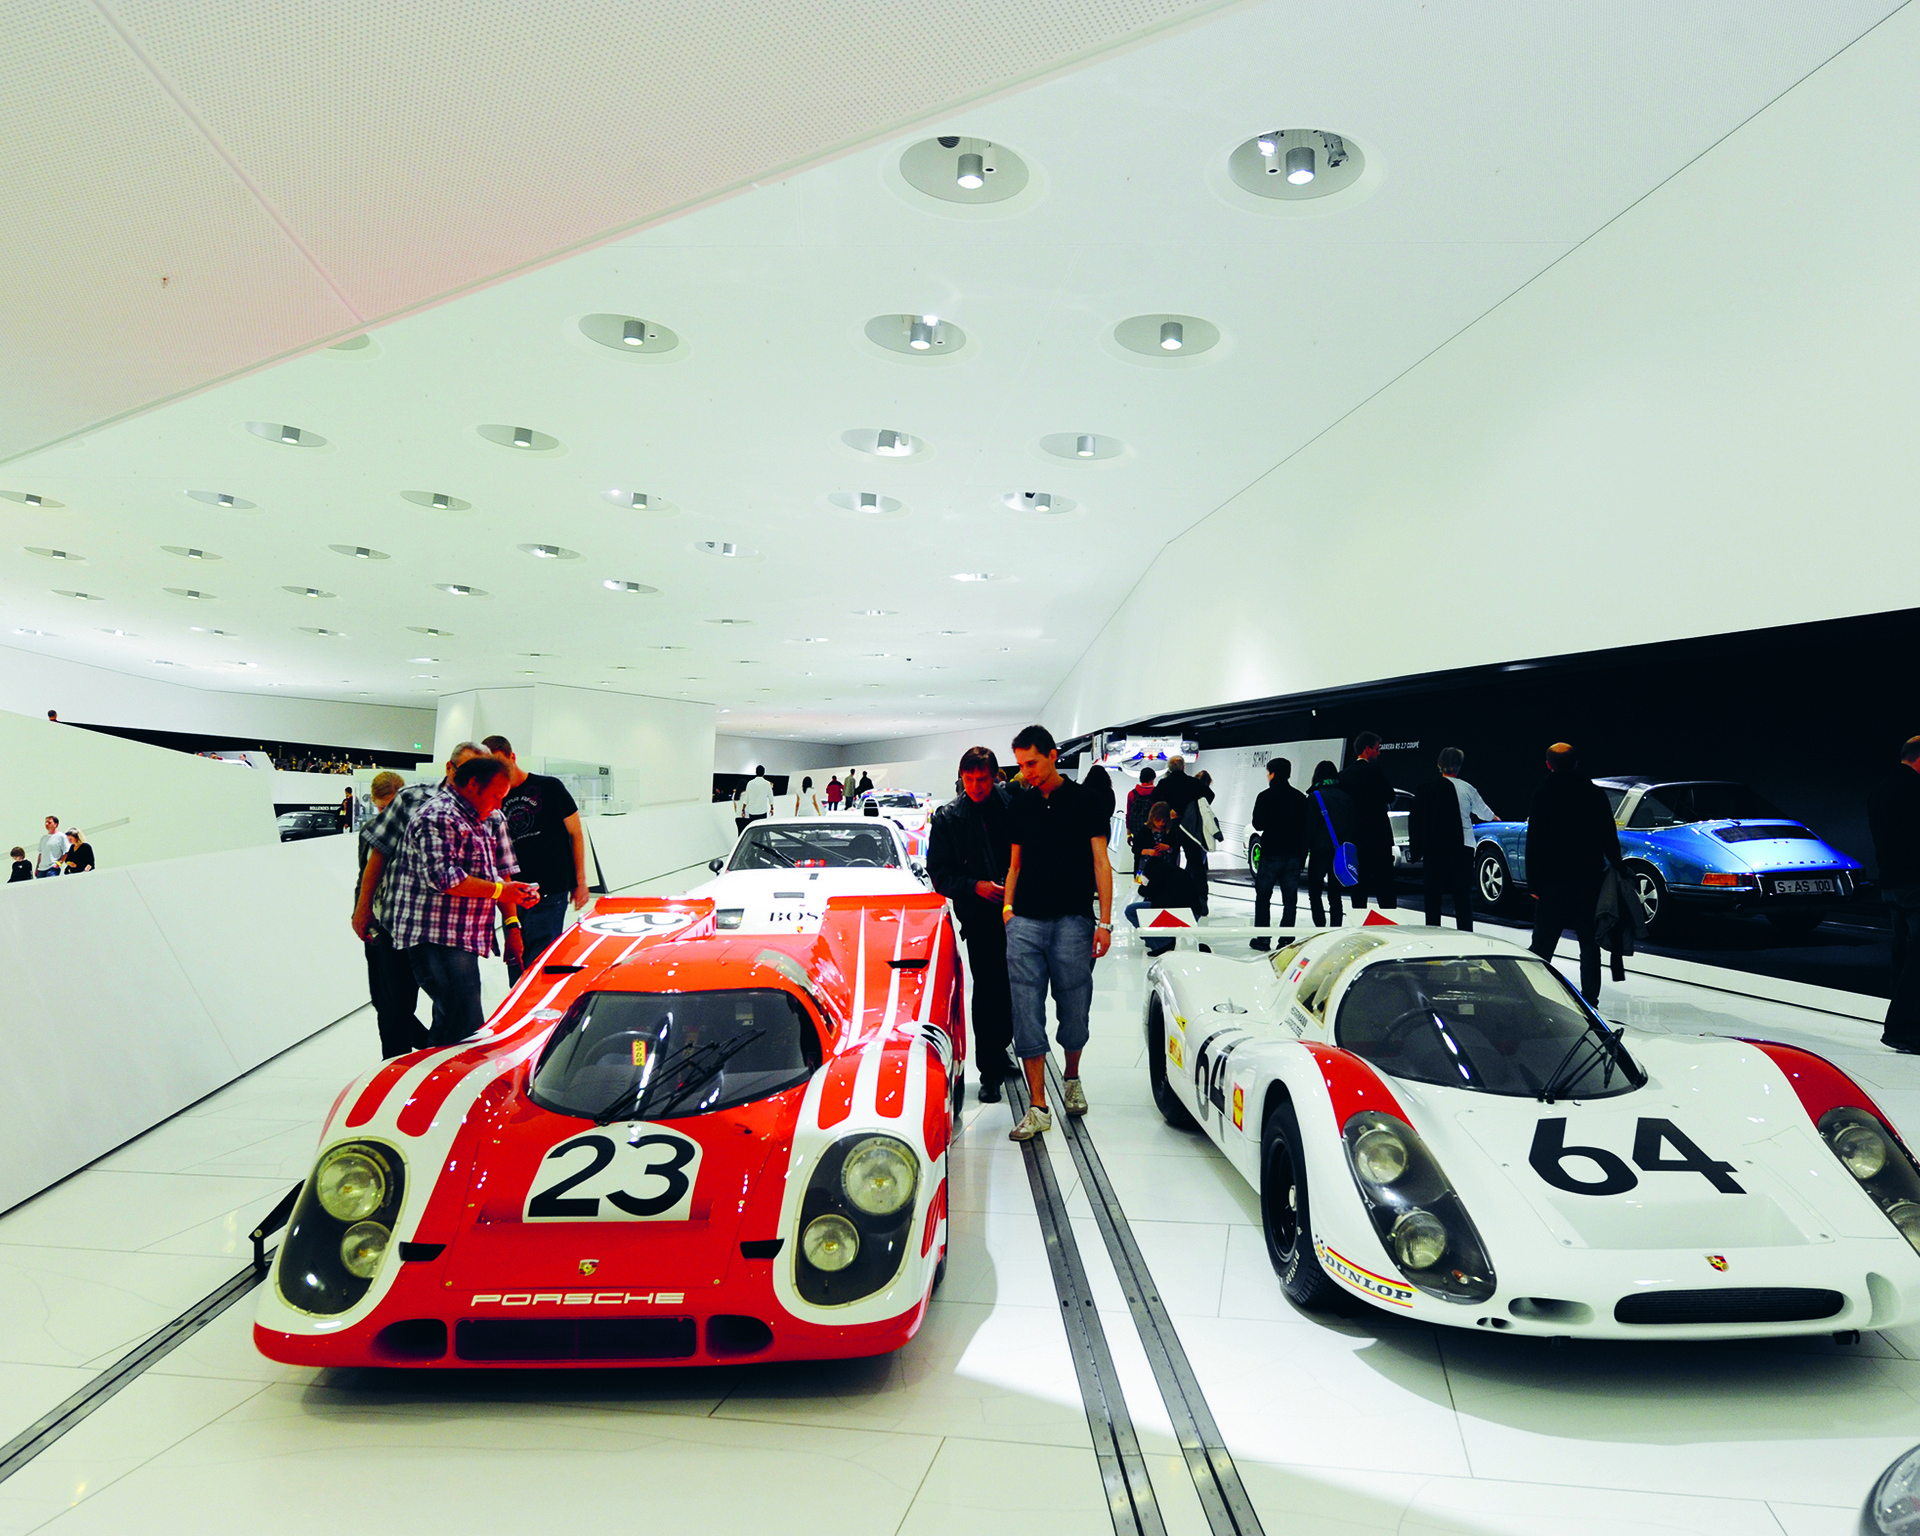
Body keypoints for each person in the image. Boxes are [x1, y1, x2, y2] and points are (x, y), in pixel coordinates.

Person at [1002, 725, 1114, 1141]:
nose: (1025, 772)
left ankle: (1071, 1077)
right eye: (1020, 765)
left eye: (1031, 762)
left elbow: (1101, 863)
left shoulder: (1087, 801)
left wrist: (1103, 922)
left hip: (1073, 920)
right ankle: (1037, 1104)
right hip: (1025, 922)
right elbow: (1014, 864)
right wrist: (1009, 911)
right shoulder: (1020, 806)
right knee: (1025, 1011)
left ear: (1052, 755)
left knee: (1074, 1007)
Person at [385, 755, 540, 1047]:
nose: (498, 804)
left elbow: (499, 874)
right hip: (435, 938)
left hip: (464, 937)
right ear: (472, 785)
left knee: (451, 1024)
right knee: (466, 1024)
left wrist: (512, 916)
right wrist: (501, 892)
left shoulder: (488, 817)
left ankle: (437, 1084)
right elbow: (445, 878)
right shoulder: (438, 816)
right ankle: (453, 1083)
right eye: (496, 796)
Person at [927, 746, 1017, 1101]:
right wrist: (975, 887)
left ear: (995, 776)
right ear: (961, 778)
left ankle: (1001, 1047)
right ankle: (990, 1070)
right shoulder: (949, 817)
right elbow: (940, 874)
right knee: (989, 988)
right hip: (980, 916)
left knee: (1015, 987)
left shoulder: (1013, 807)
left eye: (982, 779)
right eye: (969, 779)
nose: (976, 786)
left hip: (1019, 911)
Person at [484, 736, 590, 983]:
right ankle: (519, 1011)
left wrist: (580, 880)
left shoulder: (549, 787)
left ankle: (540, 1010)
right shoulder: (493, 798)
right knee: (517, 957)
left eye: (500, 764)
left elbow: (575, 834)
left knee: (542, 960)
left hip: (550, 889)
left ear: (512, 757)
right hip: (512, 892)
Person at [1524, 742, 1621, 1004]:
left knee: (1543, 945)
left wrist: (1534, 883)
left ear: (1548, 765)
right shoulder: (1594, 794)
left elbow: (1536, 842)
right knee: (1589, 945)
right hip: (1589, 880)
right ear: (1577, 763)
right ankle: (1590, 1000)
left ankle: (1537, 998)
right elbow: (1608, 836)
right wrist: (1619, 866)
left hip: (1552, 883)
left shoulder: (1543, 795)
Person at [356, 772, 428, 1057]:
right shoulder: (371, 831)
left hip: (412, 928)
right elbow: (364, 877)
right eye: (380, 809)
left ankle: (417, 1050)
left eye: (389, 808)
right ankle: (396, 1061)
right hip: (377, 925)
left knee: (398, 1002)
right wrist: (360, 914)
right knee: (382, 1000)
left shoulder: (422, 829)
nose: (384, 815)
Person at [1409, 747, 1497, 930]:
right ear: (1459, 766)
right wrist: (1495, 818)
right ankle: (1465, 936)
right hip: (1462, 848)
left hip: (1433, 848)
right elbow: (1484, 812)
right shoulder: (1467, 788)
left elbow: (1416, 819)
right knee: (1462, 898)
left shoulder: (1425, 788)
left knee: (1432, 898)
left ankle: (1433, 936)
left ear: (1439, 765)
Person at [1870, 736, 1920, 1051]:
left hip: (1891, 884)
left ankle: (1901, 1028)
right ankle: (1903, 1029)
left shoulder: (1880, 790)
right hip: (1915, 885)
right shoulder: (1914, 790)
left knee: (1902, 954)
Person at [1249, 758, 1310, 948]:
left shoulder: (1264, 796)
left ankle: (1263, 938)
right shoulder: (1300, 797)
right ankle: (1286, 940)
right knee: (1290, 898)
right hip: (1293, 853)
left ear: (1272, 773)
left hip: (1271, 852)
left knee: (1263, 896)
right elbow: (1305, 828)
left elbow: (1258, 823)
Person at [1340, 733, 1397, 913]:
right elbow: (1390, 795)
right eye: (1377, 749)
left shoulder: (1344, 776)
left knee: (1359, 884)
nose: (1379, 753)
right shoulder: (1375, 771)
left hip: (1355, 837)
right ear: (1367, 749)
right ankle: (1389, 926)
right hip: (1378, 837)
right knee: (1384, 884)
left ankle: (1360, 924)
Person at [1124, 802, 1182, 956]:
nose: (1161, 824)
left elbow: (1175, 848)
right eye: (1158, 820)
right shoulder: (1145, 830)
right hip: (1143, 871)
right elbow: (1136, 849)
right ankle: (1147, 932)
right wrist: (1148, 851)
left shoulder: (1170, 831)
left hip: (1165, 873)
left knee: (1160, 901)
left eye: (1164, 820)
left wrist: (1167, 848)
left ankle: (1160, 933)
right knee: (1142, 898)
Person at [1305, 761, 1356, 927]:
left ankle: (1320, 927)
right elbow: (1351, 825)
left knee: (1315, 892)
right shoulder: (1345, 797)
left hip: (1319, 850)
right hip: (1339, 851)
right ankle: (1336, 929)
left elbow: (1310, 827)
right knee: (1335, 894)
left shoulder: (1315, 797)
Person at [1156, 755, 1208, 915]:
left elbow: (1154, 799)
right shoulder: (1193, 783)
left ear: (1169, 769)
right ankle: (1201, 899)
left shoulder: (1164, 783)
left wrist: (1169, 809)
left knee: (1170, 860)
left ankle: (1170, 895)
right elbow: (1210, 796)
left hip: (1171, 827)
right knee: (1196, 864)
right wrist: (1192, 809)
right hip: (1190, 828)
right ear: (1184, 767)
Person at [1124, 768, 1158, 841]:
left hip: (1137, 831)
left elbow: (1128, 814)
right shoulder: (1156, 793)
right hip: (1152, 831)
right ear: (1152, 779)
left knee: (1138, 851)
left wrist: (1129, 833)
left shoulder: (1132, 794)